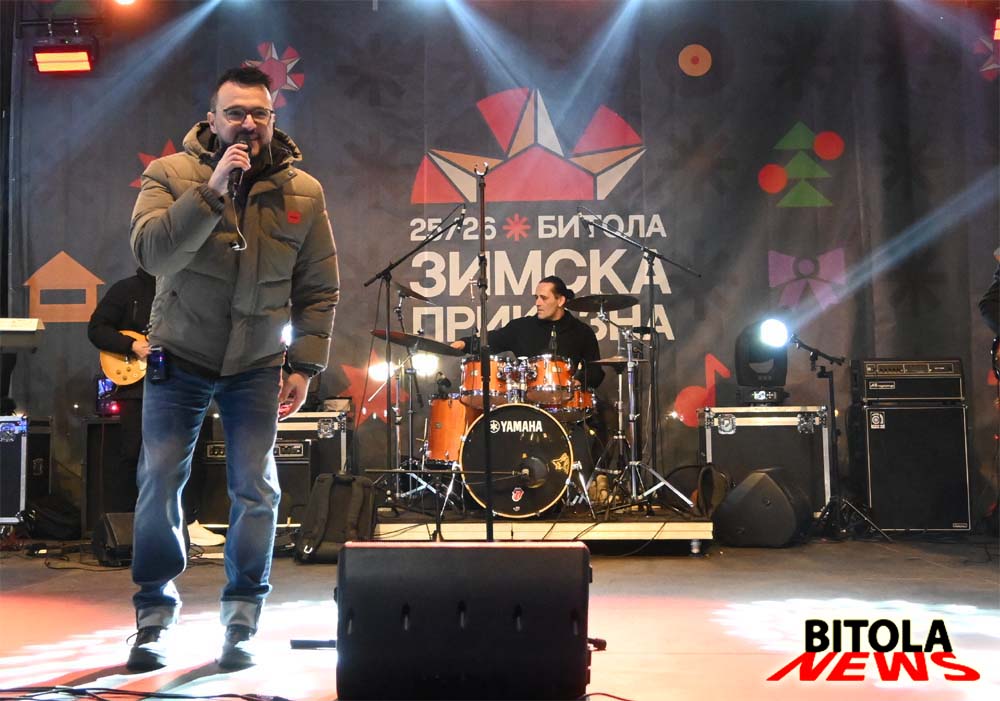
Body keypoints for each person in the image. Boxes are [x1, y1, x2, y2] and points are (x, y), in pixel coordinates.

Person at [126, 66, 339, 672]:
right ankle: (153, 616)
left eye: (259, 113)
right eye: (236, 112)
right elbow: (151, 253)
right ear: (212, 119)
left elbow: (318, 287)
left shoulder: (304, 192)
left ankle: (242, 618)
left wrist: (304, 364)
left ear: (273, 118)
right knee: (160, 479)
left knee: (257, 488)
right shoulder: (170, 175)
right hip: (180, 352)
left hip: (256, 362)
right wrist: (212, 190)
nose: (248, 123)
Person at [450, 275, 605, 389]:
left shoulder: (582, 332)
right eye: (536, 297)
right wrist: (464, 343)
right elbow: (491, 341)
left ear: (560, 300)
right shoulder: (521, 327)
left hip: (567, 404)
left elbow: (595, 371)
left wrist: (579, 381)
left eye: (543, 298)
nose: (537, 303)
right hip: (526, 404)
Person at [86, 267, 156, 515]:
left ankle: (185, 518)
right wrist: (132, 345)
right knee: (133, 451)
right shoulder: (127, 289)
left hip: (178, 384)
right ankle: (128, 519)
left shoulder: (187, 288)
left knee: (180, 453)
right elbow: (97, 329)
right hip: (136, 388)